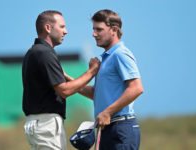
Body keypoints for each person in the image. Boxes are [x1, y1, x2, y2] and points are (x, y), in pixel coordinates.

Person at [66, 9, 144, 150]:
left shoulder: (121, 54)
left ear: (114, 30)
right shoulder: (105, 58)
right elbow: (97, 94)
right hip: (108, 129)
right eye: (93, 29)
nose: (94, 34)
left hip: (121, 129)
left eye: (99, 29)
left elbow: (136, 88)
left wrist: (107, 112)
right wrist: (68, 80)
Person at [22, 10, 100, 150]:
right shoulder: (44, 53)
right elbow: (65, 90)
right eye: (62, 26)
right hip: (46, 123)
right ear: (48, 28)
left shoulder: (35, 52)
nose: (66, 31)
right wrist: (92, 71)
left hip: (39, 123)